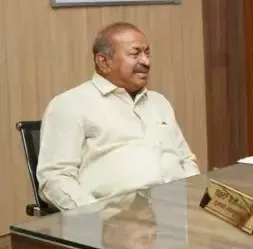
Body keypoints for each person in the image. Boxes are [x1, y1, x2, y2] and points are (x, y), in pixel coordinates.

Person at [37, 22, 201, 211]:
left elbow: (186, 159)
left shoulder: (159, 102)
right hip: (119, 219)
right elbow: (55, 179)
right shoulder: (70, 105)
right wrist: (97, 218)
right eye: (135, 54)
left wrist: (195, 198)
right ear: (103, 62)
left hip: (179, 211)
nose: (146, 62)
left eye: (147, 53)